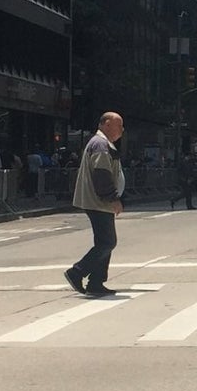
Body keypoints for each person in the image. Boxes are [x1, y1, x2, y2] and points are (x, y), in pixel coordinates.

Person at [63, 112, 125, 297]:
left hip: (99, 201)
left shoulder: (103, 144)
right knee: (107, 242)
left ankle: (96, 283)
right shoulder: (100, 144)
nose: (122, 129)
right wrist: (112, 198)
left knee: (104, 242)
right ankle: (77, 272)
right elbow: (102, 174)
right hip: (98, 202)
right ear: (106, 124)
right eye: (118, 125)